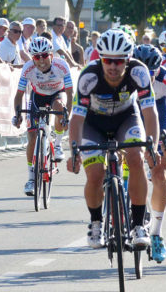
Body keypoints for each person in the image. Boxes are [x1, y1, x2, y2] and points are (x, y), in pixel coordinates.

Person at [67, 29, 158, 249]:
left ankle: (138, 225)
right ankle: (96, 221)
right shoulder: (89, 76)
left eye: (119, 61)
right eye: (108, 60)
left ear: (128, 60)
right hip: (93, 124)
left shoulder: (139, 72)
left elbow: (149, 113)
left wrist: (152, 147)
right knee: (96, 173)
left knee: (136, 158)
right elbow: (77, 119)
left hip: (126, 118)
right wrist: (74, 152)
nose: (113, 66)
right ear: (101, 58)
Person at [133, 44, 166, 263]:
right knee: (129, 160)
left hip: (158, 113)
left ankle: (156, 232)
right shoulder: (124, 77)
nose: (148, 77)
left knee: (159, 171)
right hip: (132, 113)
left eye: (152, 72)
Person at [13, 37, 73, 195]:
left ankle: (58, 145)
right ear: (32, 58)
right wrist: (17, 114)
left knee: (60, 108)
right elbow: (18, 95)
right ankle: (31, 178)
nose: (41, 60)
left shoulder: (61, 65)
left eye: (44, 55)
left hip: (57, 94)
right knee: (32, 137)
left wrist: (67, 115)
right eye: (36, 57)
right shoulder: (27, 68)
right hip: (38, 96)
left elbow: (70, 92)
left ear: (51, 55)